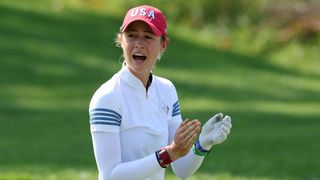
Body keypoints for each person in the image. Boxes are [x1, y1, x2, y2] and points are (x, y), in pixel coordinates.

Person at [89, 5, 232, 180]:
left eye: (148, 37)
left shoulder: (166, 90)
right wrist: (168, 154)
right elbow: (111, 175)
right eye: (131, 36)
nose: (138, 44)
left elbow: (181, 169)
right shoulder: (108, 97)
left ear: (163, 44)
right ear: (121, 40)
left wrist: (203, 144)